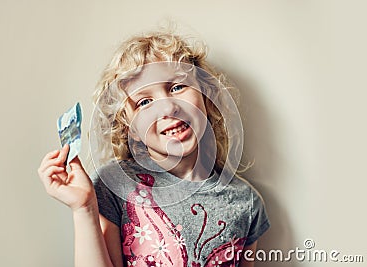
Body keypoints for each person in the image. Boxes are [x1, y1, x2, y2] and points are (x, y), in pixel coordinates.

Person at [38, 29, 270, 267]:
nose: (168, 108)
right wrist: (84, 209)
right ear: (130, 129)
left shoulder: (246, 202)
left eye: (177, 87)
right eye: (145, 102)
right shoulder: (114, 185)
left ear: (206, 95)